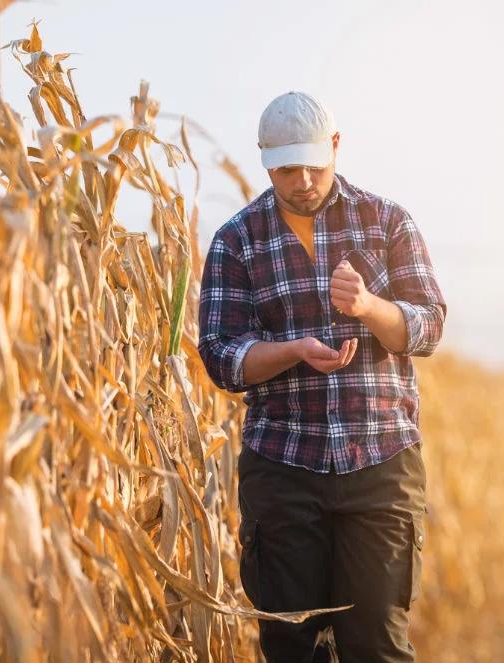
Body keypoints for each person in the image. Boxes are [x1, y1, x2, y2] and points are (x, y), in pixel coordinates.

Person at [197, 90, 447, 662]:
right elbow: (220, 356)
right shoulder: (238, 241)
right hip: (283, 465)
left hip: (381, 460)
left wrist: (371, 308)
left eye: (315, 164)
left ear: (336, 147)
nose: (304, 180)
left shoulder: (388, 222)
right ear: (265, 162)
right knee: (291, 646)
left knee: (377, 644)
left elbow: (429, 326)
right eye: (287, 169)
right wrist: (293, 350)